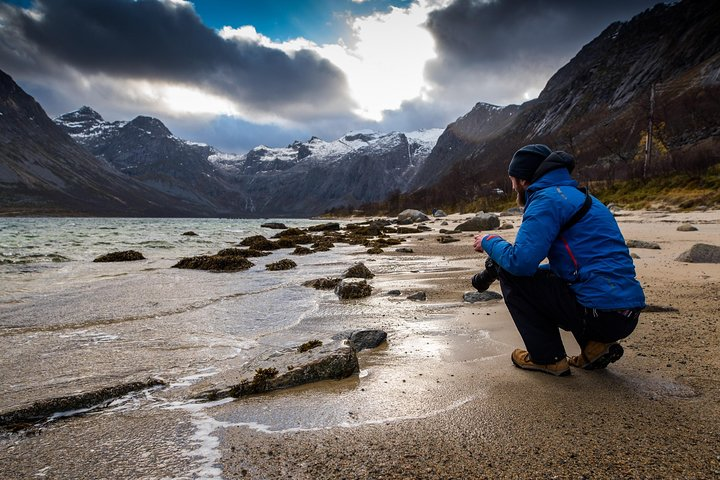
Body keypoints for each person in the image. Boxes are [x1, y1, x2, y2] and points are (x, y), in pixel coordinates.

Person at [472, 144, 645, 376]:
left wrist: (489, 240)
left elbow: (520, 264)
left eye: (513, 180)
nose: (512, 186)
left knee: (511, 274)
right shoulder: (583, 198)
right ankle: (594, 348)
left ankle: (547, 358)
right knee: (556, 279)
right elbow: (573, 266)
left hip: (598, 314)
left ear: (523, 180)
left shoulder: (546, 200)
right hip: (625, 313)